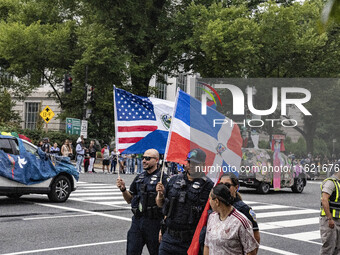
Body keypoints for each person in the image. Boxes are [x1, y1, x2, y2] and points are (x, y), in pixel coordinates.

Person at [156, 148, 214, 255]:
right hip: (168, 238)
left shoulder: (209, 186)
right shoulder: (174, 180)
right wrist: (160, 194)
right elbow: (162, 205)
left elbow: (211, 216)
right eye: (189, 162)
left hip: (190, 241)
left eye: (195, 163)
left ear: (203, 164)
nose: (191, 165)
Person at [116, 149, 168, 255]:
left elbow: (167, 206)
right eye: (143, 158)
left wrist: (163, 228)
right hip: (138, 221)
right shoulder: (140, 177)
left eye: (148, 158)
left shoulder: (163, 179)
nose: (144, 160)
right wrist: (123, 189)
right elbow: (129, 199)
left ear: (156, 160)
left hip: (154, 222)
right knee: (132, 251)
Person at [204, 184, 259, 255]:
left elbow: (251, 252)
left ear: (216, 201)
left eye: (210, 199)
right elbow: (207, 245)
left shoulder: (240, 221)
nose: (209, 202)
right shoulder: (212, 217)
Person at [219, 172, 260, 252]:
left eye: (227, 185)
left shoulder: (244, 209)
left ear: (236, 187)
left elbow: (255, 236)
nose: (223, 188)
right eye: (221, 185)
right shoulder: (217, 205)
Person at [319, 161, 340, 255]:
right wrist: (330, 218)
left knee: (337, 248)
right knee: (328, 248)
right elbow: (324, 200)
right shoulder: (330, 182)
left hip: (338, 220)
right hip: (330, 220)